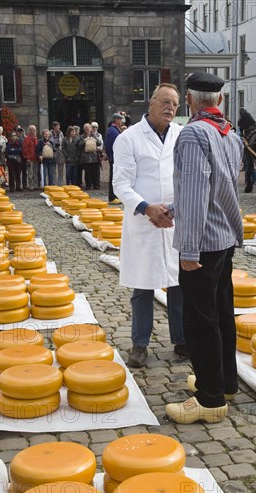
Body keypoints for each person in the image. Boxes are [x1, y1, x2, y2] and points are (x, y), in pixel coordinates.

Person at [163, 73, 243, 425]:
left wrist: (190, 250)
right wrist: (176, 208)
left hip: (203, 243)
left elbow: (197, 191)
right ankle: (224, 382)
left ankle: (209, 399)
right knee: (223, 313)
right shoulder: (230, 135)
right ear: (220, 102)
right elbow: (219, 188)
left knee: (199, 320)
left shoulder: (194, 133)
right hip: (224, 236)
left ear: (190, 102)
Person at [112, 83, 187, 368]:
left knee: (179, 283)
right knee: (143, 287)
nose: (170, 108)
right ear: (151, 103)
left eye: (176, 104)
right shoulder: (129, 138)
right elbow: (120, 184)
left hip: (173, 219)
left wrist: (174, 210)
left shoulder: (181, 135)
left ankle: (181, 339)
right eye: (165, 102)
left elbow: (185, 178)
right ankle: (139, 344)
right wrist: (147, 208)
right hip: (143, 222)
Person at [105, 113, 124, 204]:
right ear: (116, 120)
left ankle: (115, 196)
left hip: (117, 158)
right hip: (114, 158)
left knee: (116, 177)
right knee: (113, 177)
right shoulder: (112, 130)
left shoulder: (115, 130)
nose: (122, 121)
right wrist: (111, 156)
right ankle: (112, 197)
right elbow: (108, 146)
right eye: (120, 119)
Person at [238, 108, 256, 193]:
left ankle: (249, 183)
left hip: (248, 139)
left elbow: (242, 132)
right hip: (254, 133)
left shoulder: (240, 121)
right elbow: (255, 125)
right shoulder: (249, 117)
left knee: (248, 163)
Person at [77, 123, 102, 190]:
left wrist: (95, 140)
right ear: (84, 129)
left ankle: (96, 184)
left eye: (88, 128)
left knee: (95, 172)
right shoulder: (81, 137)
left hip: (94, 157)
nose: (87, 130)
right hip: (86, 157)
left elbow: (99, 143)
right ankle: (88, 184)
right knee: (88, 172)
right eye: (86, 129)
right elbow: (79, 146)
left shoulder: (94, 135)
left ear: (91, 129)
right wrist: (84, 141)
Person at [22, 125, 39, 190]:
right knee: (30, 173)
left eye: (34, 130)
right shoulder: (27, 139)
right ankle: (31, 185)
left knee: (36, 172)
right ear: (29, 131)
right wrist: (28, 158)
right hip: (30, 158)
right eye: (32, 130)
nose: (33, 131)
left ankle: (35, 185)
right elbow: (25, 150)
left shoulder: (36, 138)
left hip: (36, 158)